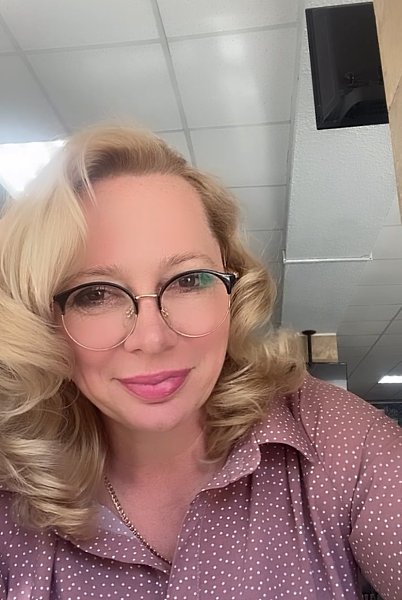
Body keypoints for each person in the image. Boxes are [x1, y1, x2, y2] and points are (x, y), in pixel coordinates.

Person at [0, 125, 400, 600]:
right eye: (95, 294)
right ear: (41, 321)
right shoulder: (11, 494)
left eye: (188, 280)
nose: (152, 338)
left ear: (233, 289)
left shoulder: (336, 438)